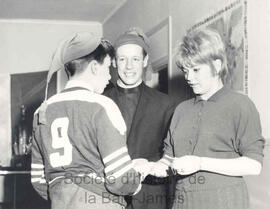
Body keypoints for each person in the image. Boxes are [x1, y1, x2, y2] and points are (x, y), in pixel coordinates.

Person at [31, 32, 152, 209]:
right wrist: (138, 176)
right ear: (95, 67)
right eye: (108, 67)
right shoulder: (102, 105)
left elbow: (38, 180)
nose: (110, 76)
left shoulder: (41, 111)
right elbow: (119, 180)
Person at [151, 28, 265, 209]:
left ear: (217, 66)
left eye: (196, 70)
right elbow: (169, 160)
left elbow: (254, 165)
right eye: (185, 70)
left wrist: (201, 163)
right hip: (183, 201)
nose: (189, 77)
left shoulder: (240, 105)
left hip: (224, 201)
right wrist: (149, 167)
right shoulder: (181, 110)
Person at [104, 28, 176, 209]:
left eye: (135, 59)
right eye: (122, 59)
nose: (129, 66)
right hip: (107, 197)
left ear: (144, 61)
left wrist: (151, 165)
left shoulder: (165, 104)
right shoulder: (100, 102)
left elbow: (172, 154)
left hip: (151, 198)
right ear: (113, 62)